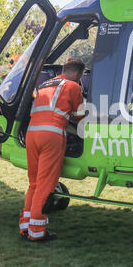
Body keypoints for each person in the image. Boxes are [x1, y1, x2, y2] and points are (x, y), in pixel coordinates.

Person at [19, 58, 86, 242]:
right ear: (78, 74)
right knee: (45, 184)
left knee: (33, 183)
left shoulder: (45, 84)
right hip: (52, 135)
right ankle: (36, 232)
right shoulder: (73, 86)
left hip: (32, 134)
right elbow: (80, 117)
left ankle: (25, 226)